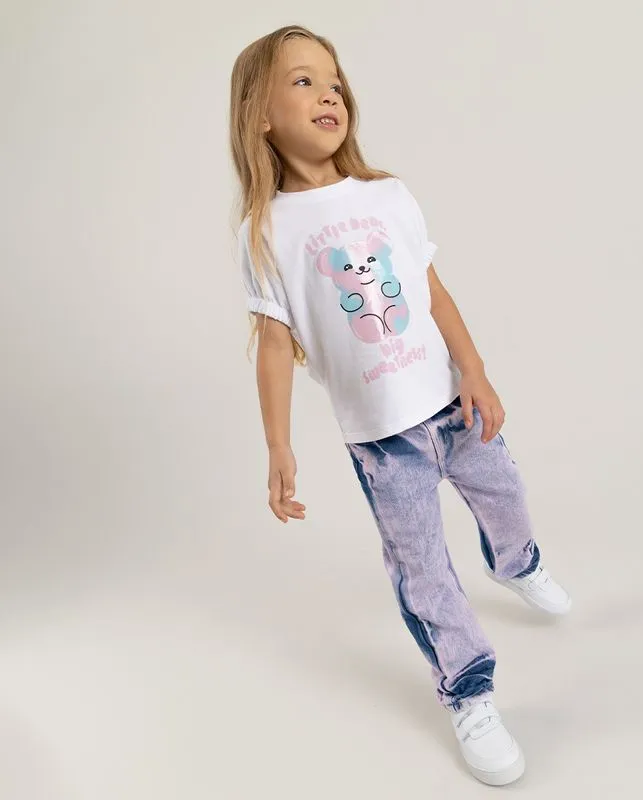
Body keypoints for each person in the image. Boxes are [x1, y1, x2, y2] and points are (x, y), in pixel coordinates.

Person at [229, 25, 571, 787]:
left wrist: (475, 370)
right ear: (260, 113)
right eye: (304, 81)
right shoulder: (266, 230)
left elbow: (432, 291)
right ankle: (469, 690)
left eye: (335, 82)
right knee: (423, 568)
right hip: (385, 442)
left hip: (451, 404)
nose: (329, 94)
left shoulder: (387, 194)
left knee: (507, 496)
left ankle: (517, 562)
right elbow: (275, 345)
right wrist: (278, 446)